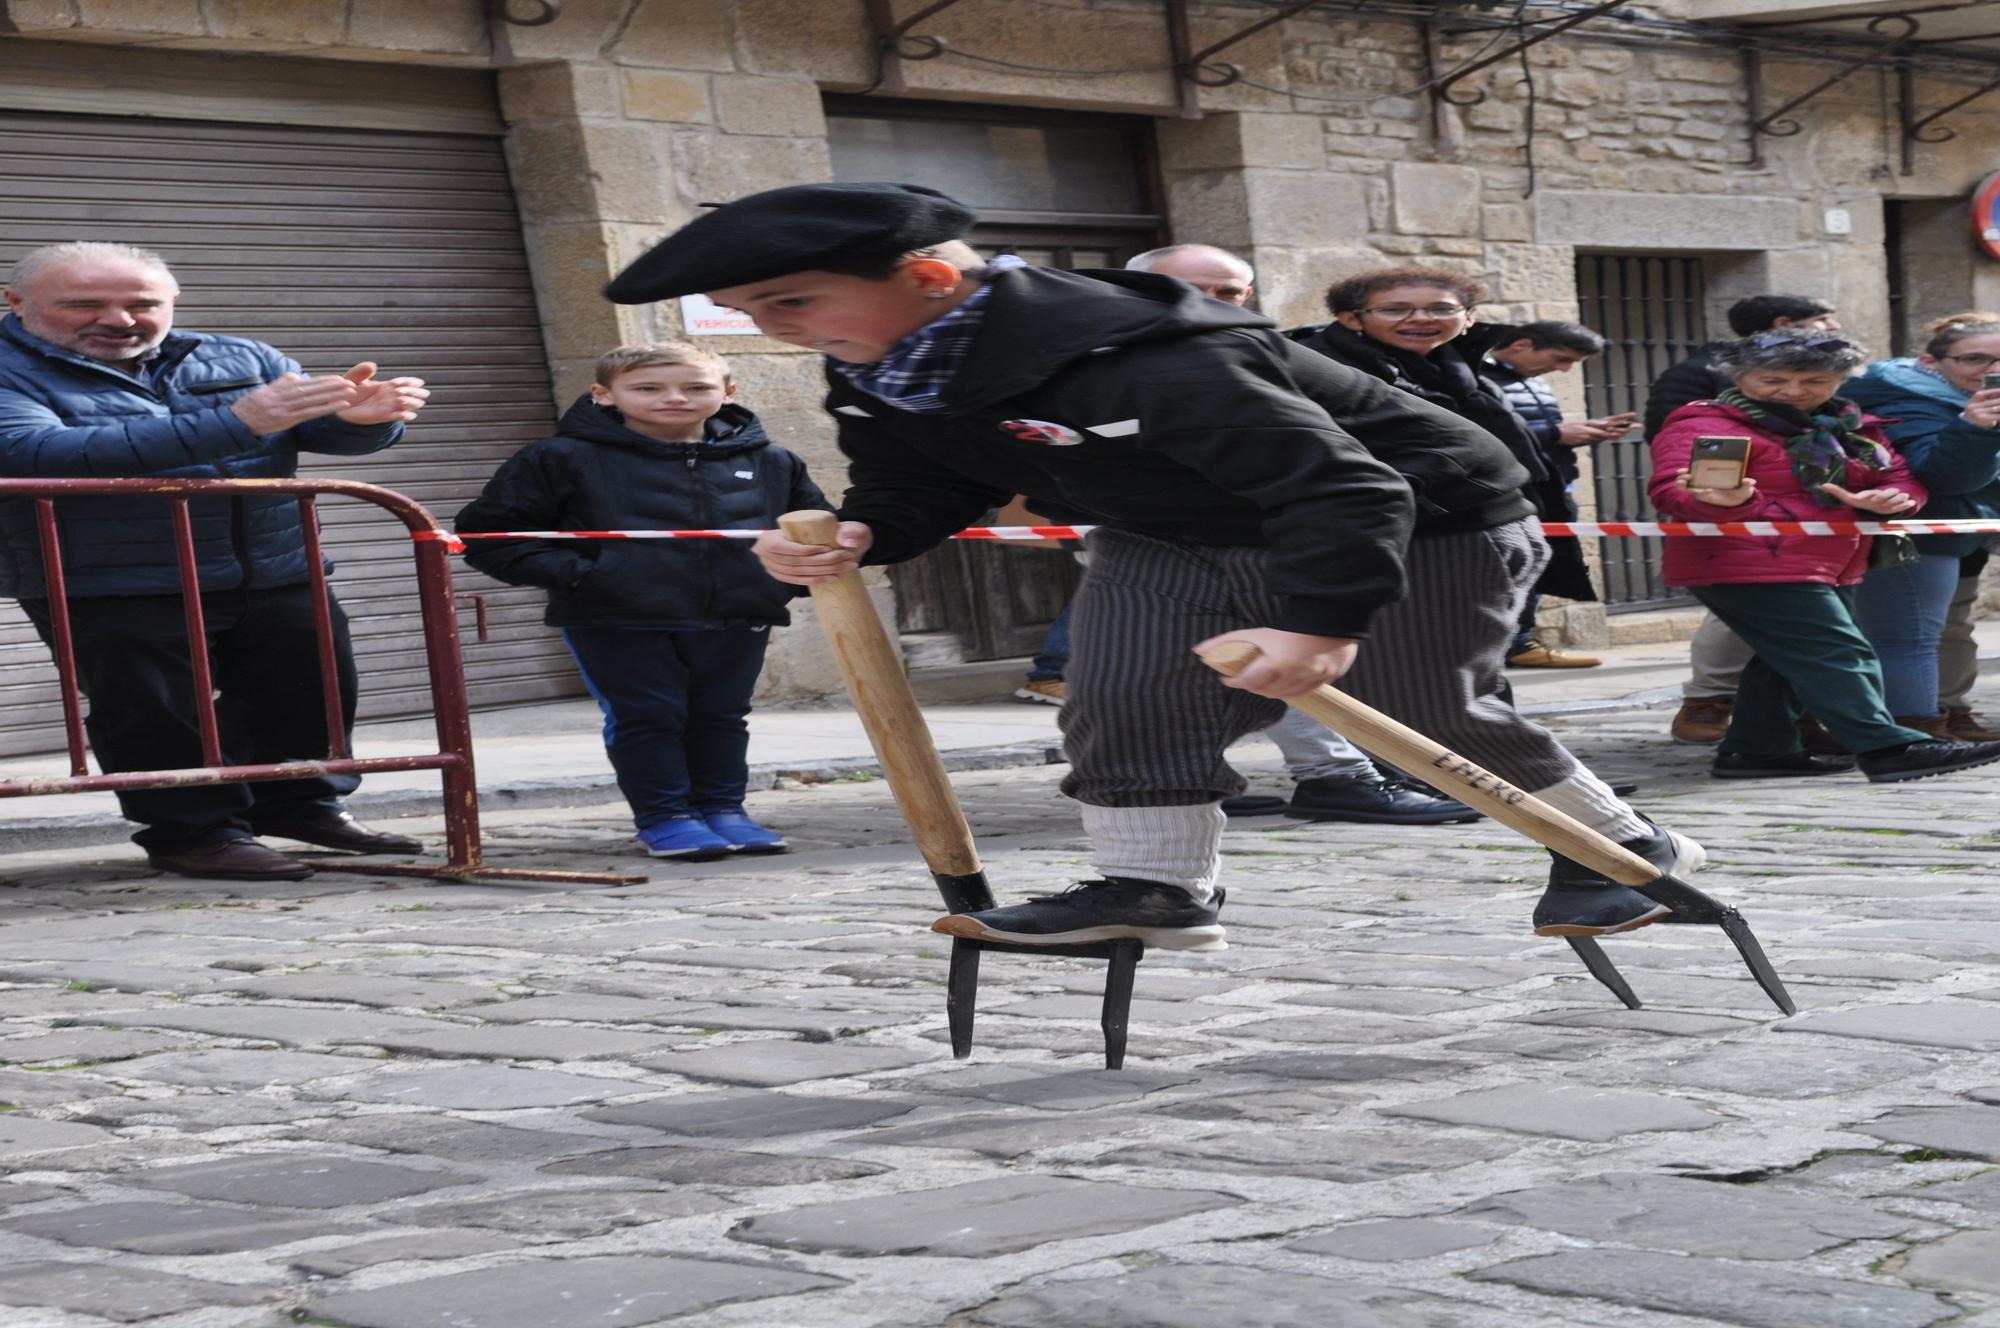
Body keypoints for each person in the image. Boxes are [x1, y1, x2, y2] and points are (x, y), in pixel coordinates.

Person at [605, 182, 1706, 953]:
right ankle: (1155, 889)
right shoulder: (882, 362)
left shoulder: (1144, 350)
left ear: (932, 276)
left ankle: (1623, 844)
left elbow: (1349, 488)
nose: (780, 332)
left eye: (792, 303)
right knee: (1121, 699)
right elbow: (919, 475)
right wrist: (867, 532)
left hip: (1422, 519)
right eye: (752, 316)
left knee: (1424, 707)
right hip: (1165, 529)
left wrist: (1320, 626)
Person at [0, 241, 429, 882]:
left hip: (274, 563)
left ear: (173, 302)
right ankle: (194, 833)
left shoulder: (243, 355)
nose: (117, 320)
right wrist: (237, 421)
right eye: (84, 304)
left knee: (311, 694)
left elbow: (309, 429)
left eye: (141, 304)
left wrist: (364, 422)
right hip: (107, 579)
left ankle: (299, 806)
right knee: (156, 714)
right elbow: (37, 452)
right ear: (16, 302)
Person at [1134, 244, 1474, 827]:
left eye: (1230, 293)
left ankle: (1196, 775)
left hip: (1250, 529)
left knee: (1235, 656)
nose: (1213, 304)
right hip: (1161, 530)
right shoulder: (1111, 353)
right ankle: (1330, 776)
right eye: (1195, 289)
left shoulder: (1254, 350)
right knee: (1247, 654)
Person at [454, 342, 824, 860]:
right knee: (649, 714)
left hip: (737, 615)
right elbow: (489, 534)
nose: (673, 398)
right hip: (616, 616)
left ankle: (724, 810)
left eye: (696, 387)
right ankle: (666, 817)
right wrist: (587, 577)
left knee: (721, 715)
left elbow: (811, 531)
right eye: (648, 388)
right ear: (605, 395)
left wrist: (780, 582)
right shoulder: (560, 458)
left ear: (728, 392)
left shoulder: (772, 462)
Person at [1648, 330, 2000, 781]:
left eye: (1814, 380)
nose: (1794, 391)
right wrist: (1721, 500)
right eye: (1773, 379)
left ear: (1837, 381)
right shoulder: (1708, 423)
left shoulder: (1853, 425)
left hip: (1833, 560)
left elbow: (1899, 475)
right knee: (1839, 651)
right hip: (1745, 558)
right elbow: (1673, 491)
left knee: (1787, 659)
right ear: (1741, 377)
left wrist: (1892, 498)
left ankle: (1759, 750)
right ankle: (1887, 746)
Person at [1647, 294, 1843, 744]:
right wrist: (1717, 493)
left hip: (1817, 515)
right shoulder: (1701, 373)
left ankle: (1795, 719)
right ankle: (1708, 699)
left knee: (1807, 628)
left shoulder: (1829, 370)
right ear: (1783, 324)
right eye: (1823, 319)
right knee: (1737, 613)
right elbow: (1679, 445)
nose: (1833, 327)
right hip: (1734, 509)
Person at [1843, 313, 2000, 742]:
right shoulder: (1902, 400)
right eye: (1976, 359)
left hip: (1967, 532)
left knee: (1950, 628)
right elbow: (1942, 476)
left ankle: (1947, 713)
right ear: (1931, 363)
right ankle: (1913, 734)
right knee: (1907, 637)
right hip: (1914, 536)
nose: (1994, 370)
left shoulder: (1959, 394)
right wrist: (1975, 427)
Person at [1485, 319, 1636, 668]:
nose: (1564, 370)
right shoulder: (1474, 377)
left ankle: (1521, 643)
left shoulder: (1531, 380)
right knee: (1508, 570)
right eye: (1559, 358)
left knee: (1539, 565)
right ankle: (1504, 646)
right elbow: (1484, 436)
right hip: (1509, 492)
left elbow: (1530, 432)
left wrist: (1585, 431)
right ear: (1522, 344)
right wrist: (1555, 434)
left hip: (1550, 487)